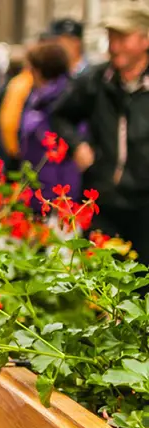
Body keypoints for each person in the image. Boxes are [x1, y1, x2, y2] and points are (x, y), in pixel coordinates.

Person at [51, 3, 149, 259]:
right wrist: (77, 145)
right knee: (100, 288)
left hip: (144, 208)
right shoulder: (95, 80)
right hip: (102, 204)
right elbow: (59, 116)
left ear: (145, 39)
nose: (114, 46)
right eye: (111, 38)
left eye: (122, 38)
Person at [20, 42, 82, 204]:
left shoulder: (67, 103)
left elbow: (69, 160)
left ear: (39, 71)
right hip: (39, 190)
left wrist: (62, 201)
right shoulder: (37, 99)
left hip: (54, 196)